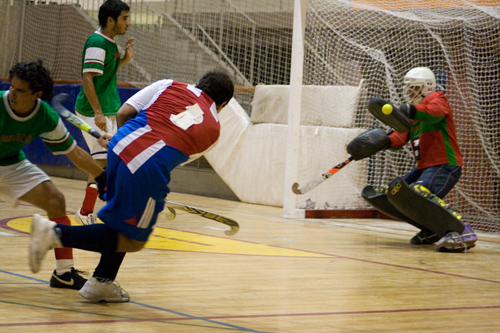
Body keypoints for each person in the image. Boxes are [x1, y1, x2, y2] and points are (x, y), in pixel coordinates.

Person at [28, 70, 234, 303]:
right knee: (133, 239)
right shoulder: (214, 130)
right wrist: (151, 191)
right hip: (145, 165)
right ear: (223, 104)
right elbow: (168, 158)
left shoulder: (169, 83)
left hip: (120, 147)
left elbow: (125, 112)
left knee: (122, 220)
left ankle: (101, 282)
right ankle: (54, 233)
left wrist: (121, 138)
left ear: (198, 84)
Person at [0, 61, 105, 289]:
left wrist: (104, 178)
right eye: (11, 87)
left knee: (55, 200)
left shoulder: (45, 116)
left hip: (10, 163)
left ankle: (64, 273)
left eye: (20, 91)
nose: (12, 94)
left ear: (36, 94)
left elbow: (75, 153)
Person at [369, 67, 477, 252]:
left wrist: (410, 110)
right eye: (408, 89)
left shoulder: (436, 99)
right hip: (424, 167)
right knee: (394, 193)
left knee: (420, 191)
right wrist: (384, 141)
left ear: (427, 87)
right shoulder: (413, 115)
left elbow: (435, 113)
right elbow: (400, 136)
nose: (410, 93)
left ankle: (463, 230)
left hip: (445, 164)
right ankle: (433, 230)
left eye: (414, 88)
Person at [74, 0, 134, 225]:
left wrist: (125, 60)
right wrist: (98, 113)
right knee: (102, 164)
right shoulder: (97, 42)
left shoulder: (109, 44)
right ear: (111, 20)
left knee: (107, 163)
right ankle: (88, 211)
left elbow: (103, 72)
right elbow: (87, 77)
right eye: (124, 18)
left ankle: (95, 209)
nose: (128, 23)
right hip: (93, 111)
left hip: (109, 109)